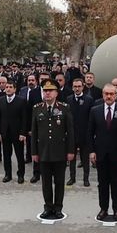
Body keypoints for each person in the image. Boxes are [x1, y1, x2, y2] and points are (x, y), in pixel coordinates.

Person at [31, 79, 75, 220]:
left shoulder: (64, 108)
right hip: (43, 151)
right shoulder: (37, 108)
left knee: (59, 182)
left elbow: (70, 131)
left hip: (60, 151)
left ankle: (58, 208)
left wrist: (70, 151)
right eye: (45, 90)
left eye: (50, 90)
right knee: (46, 182)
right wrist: (34, 152)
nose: (47, 93)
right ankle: (47, 207)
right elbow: (34, 132)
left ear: (56, 93)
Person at [88, 83, 117, 221]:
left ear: (116, 95)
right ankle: (103, 209)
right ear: (102, 95)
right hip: (100, 153)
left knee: (116, 183)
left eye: (112, 94)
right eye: (106, 93)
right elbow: (90, 133)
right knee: (102, 183)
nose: (109, 96)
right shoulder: (95, 111)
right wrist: (91, 151)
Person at [0, 80, 28, 183]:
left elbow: (24, 119)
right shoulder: (0, 100)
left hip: (17, 133)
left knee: (19, 155)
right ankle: (7, 174)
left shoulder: (21, 101)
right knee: (6, 155)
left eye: (10, 87)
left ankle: (20, 175)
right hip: (5, 133)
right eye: (7, 87)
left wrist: (23, 133)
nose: (8, 89)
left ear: (15, 89)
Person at [66, 78, 94, 186]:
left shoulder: (89, 100)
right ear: (72, 87)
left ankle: (85, 179)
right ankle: (72, 178)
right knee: (71, 157)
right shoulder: (68, 99)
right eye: (75, 86)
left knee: (85, 158)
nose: (77, 88)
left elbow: (91, 118)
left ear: (83, 87)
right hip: (72, 134)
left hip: (84, 134)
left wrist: (90, 133)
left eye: (79, 86)